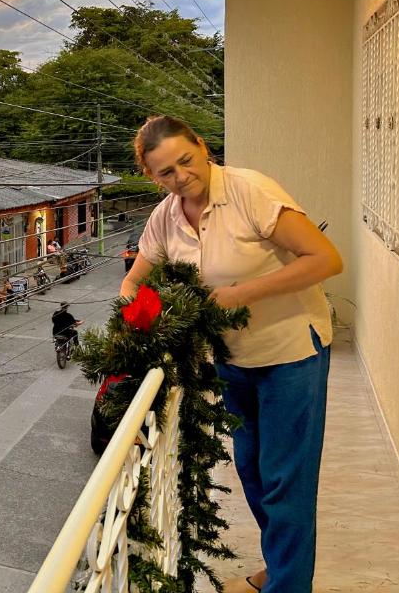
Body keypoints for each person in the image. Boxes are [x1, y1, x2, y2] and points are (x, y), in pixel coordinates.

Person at [120, 116, 342, 593]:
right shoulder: (167, 216)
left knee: (287, 480)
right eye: (165, 172)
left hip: (289, 353)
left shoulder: (250, 191)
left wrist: (239, 294)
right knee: (254, 472)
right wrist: (138, 319)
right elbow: (133, 281)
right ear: (152, 176)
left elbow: (326, 259)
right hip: (231, 361)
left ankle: (288, 584)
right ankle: (283, 567)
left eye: (186, 160)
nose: (181, 176)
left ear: (202, 147)